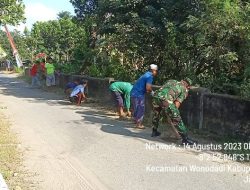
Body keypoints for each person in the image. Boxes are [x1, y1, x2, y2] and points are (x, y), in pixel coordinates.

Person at [151, 78, 198, 145]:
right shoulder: (184, 89)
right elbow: (176, 105)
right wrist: (172, 114)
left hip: (156, 96)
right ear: (188, 86)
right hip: (165, 100)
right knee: (177, 118)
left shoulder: (172, 81)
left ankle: (154, 132)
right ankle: (185, 139)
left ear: (182, 81)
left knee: (156, 114)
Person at [130, 64, 158, 129]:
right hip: (139, 94)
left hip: (134, 93)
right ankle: (139, 124)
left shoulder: (145, 74)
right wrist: (152, 92)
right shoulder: (149, 76)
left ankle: (135, 121)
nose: (156, 72)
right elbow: (148, 88)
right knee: (141, 108)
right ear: (153, 70)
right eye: (156, 71)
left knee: (136, 108)